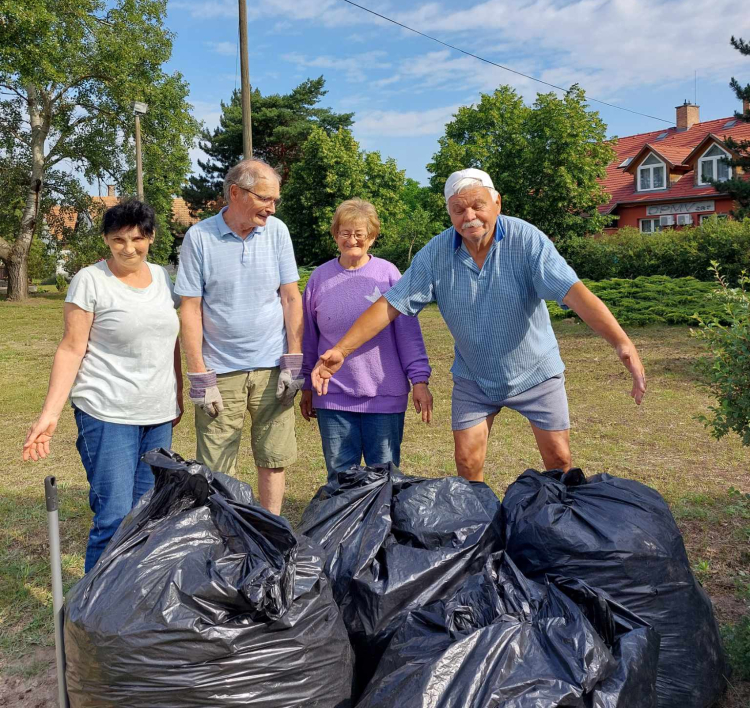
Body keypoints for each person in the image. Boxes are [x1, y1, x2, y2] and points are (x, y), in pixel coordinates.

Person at [312, 169, 647, 482]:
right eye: (458, 209)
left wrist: (621, 342)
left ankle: (555, 529)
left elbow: (573, 293)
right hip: (474, 377)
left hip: (536, 372)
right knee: (467, 461)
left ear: (496, 203)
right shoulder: (435, 253)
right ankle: (478, 532)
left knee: (559, 460)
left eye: (477, 205)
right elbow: (390, 305)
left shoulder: (526, 240)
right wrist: (341, 350)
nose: (469, 216)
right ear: (449, 212)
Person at [22, 200, 183, 571]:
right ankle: (92, 616)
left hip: (156, 415)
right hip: (107, 412)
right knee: (113, 517)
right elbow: (71, 347)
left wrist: (175, 392)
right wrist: (49, 415)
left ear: (152, 237)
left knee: (147, 516)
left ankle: (129, 600)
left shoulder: (162, 278)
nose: (129, 248)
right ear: (107, 241)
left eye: (138, 239)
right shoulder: (90, 281)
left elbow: (169, 337)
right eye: (118, 240)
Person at [175, 158, 303, 513]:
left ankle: (271, 530)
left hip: (273, 368)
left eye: (275, 200)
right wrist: (200, 375)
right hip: (221, 371)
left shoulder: (277, 232)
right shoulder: (199, 237)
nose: (272, 208)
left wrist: (294, 359)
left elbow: (291, 297)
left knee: (273, 456)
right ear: (236, 192)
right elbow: (190, 309)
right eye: (265, 198)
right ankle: (227, 536)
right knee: (217, 467)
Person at [301, 199, 433, 481]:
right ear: (335, 235)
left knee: (384, 476)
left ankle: (382, 526)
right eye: (345, 232)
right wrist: (306, 386)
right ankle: (343, 525)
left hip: (383, 394)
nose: (352, 240)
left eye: (360, 233)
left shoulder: (388, 275)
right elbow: (309, 338)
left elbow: (408, 335)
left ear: (372, 237)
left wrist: (419, 380)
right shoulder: (319, 278)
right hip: (332, 394)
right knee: (339, 477)